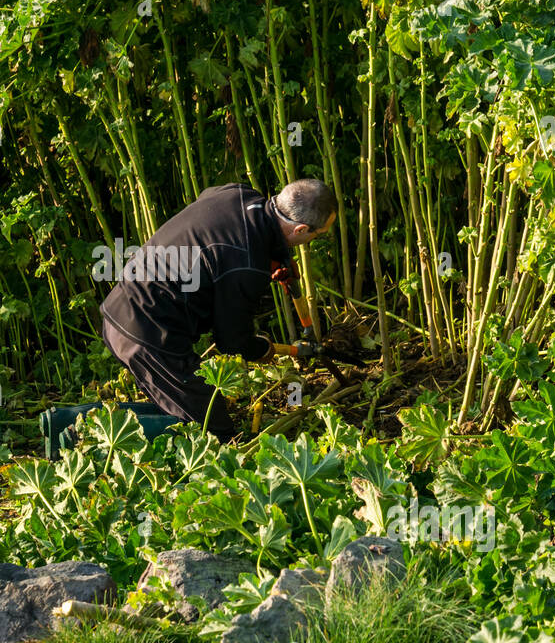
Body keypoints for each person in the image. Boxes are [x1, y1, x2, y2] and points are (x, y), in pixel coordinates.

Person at [42, 179, 337, 456]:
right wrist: (266, 349)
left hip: (123, 309)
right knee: (211, 432)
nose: (311, 242)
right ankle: (79, 440)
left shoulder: (236, 193)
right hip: (148, 333)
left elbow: (216, 237)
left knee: (185, 407)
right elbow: (232, 342)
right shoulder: (247, 264)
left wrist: (271, 257)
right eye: (317, 235)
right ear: (299, 230)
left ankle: (61, 423)